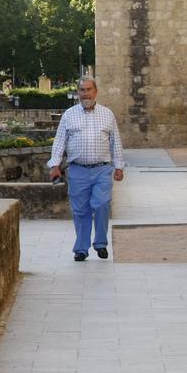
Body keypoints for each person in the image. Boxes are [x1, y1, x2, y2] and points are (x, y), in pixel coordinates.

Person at [48, 76, 125, 262]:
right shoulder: (69, 115)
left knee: (101, 204)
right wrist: (54, 165)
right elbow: (59, 142)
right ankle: (81, 248)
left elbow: (115, 142)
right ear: (78, 93)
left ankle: (100, 244)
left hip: (102, 169)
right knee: (81, 211)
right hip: (77, 170)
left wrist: (119, 166)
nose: (86, 94)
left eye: (89, 89)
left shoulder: (107, 114)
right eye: (82, 90)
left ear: (95, 91)